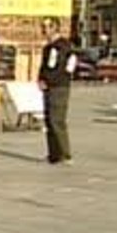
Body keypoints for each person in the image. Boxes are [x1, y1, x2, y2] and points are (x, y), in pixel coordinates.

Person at [39, 18, 76, 165]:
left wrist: (51, 80)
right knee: (49, 120)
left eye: (46, 27)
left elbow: (64, 67)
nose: (43, 30)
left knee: (57, 120)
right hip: (49, 86)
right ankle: (53, 154)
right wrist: (41, 79)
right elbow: (45, 66)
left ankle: (65, 154)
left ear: (54, 28)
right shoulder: (48, 47)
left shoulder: (62, 46)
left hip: (59, 87)